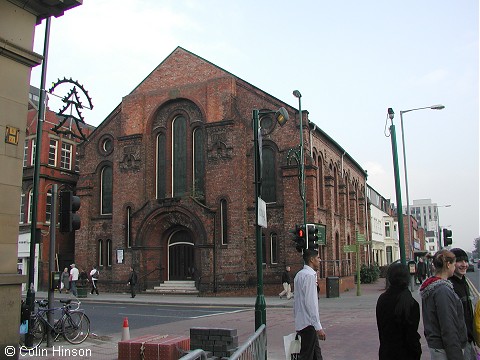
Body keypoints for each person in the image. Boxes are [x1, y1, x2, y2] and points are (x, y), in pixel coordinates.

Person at [420, 249, 467, 359]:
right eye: (454, 264)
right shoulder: (443, 290)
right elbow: (448, 326)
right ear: (448, 264)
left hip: (437, 347)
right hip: (445, 350)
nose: (455, 267)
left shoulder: (431, 286)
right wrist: (456, 356)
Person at [376, 262, 422, 360]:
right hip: (406, 353)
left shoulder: (382, 299)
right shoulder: (410, 302)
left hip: (386, 352)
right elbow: (411, 334)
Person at [294, 249, 326, 360]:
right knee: (306, 355)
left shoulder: (299, 275)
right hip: (309, 324)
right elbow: (311, 302)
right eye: (318, 258)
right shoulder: (309, 276)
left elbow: (297, 301)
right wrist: (318, 326)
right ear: (312, 260)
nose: (320, 260)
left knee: (316, 355)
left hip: (302, 321)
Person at [448, 248, 476, 360]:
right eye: (460, 261)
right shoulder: (450, 285)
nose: (464, 264)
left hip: (468, 338)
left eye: (465, 261)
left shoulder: (463, 282)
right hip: (460, 342)